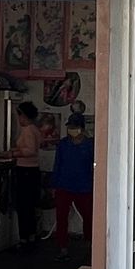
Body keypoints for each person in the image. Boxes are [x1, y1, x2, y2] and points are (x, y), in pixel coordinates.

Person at [51, 108, 95, 256]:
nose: (72, 130)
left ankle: (90, 244)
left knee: (89, 217)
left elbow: (95, 166)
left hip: (85, 186)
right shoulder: (63, 144)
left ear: (82, 128)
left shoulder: (90, 145)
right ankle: (62, 247)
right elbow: (57, 164)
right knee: (61, 217)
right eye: (70, 127)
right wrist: (54, 185)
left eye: (74, 127)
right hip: (64, 185)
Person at [10, 101, 44, 247]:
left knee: (24, 205)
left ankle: (24, 238)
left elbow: (30, 150)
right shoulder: (35, 130)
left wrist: (13, 153)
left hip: (25, 170)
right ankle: (30, 235)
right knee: (29, 205)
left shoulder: (28, 130)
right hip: (33, 170)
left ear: (23, 115)